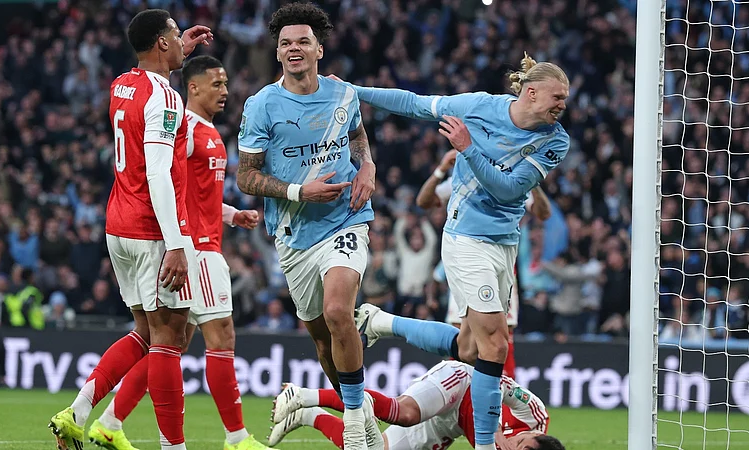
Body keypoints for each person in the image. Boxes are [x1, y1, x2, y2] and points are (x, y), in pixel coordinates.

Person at [342, 53, 570, 450]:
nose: (563, 105)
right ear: (531, 93)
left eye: (564, 98)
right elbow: (414, 103)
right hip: (465, 239)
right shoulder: (479, 106)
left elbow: (509, 190)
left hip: (505, 245)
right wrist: (352, 90)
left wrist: (468, 149)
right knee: (496, 345)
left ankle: (381, 322)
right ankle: (485, 446)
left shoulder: (556, 140)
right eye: (558, 97)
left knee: (468, 348)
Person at [85, 55, 270, 450]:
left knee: (169, 344)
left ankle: (110, 421)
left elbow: (195, 193)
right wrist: (177, 241)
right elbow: (166, 184)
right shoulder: (183, 126)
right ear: (194, 87)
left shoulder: (209, 131)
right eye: (216, 84)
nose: (225, 91)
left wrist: (231, 214)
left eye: (226, 83)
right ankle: (237, 438)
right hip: (194, 249)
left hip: (203, 241)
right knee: (220, 335)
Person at [48, 9, 213, 450]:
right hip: (151, 229)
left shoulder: (122, 84)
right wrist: (176, 244)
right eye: (175, 34)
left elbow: (148, 82)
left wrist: (179, 53)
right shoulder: (167, 98)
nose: (181, 39)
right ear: (161, 43)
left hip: (118, 223)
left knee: (144, 333)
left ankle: (77, 413)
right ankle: (173, 446)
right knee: (170, 337)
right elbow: (158, 172)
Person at [236, 4, 382, 450]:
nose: (293, 49)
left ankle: (353, 425)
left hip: (345, 220)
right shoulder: (262, 105)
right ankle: (365, 421)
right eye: (285, 43)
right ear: (278, 53)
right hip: (295, 234)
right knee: (322, 342)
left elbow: (357, 136)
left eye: (302, 41)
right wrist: (300, 192)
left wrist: (367, 166)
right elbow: (245, 176)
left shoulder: (344, 94)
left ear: (319, 49)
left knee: (339, 312)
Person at [416, 149, 552, 377]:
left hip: (500, 262)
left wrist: (532, 178)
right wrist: (441, 169)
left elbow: (543, 213)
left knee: (501, 335)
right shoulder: (463, 176)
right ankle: (457, 395)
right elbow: (424, 201)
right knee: (461, 333)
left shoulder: (512, 179)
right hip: (466, 258)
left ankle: (501, 398)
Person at [268, 360, 563, 450]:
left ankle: (308, 416)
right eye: (521, 444)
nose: (514, 448)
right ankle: (303, 395)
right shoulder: (535, 415)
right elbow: (497, 382)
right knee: (403, 413)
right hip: (461, 385)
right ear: (535, 435)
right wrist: (492, 426)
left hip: (449, 424)